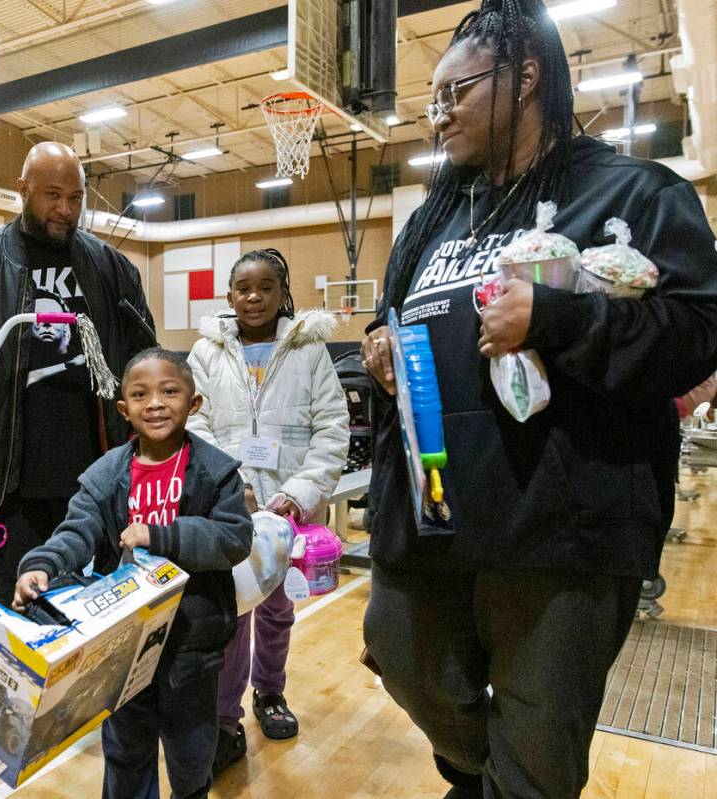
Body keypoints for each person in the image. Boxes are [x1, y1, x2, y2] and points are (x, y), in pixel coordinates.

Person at [358, 2, 717, 797]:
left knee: (539, 760)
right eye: (433, 97)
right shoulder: (434, 218)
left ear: (524, 79)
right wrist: (380, 341)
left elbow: (698, 330)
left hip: (562, 535)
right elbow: (397, 315)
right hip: (435, 521)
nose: (438, 113)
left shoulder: (634, 191)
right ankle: (484, 773)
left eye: (457, 91)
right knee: (402, 655)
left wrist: (556, 317)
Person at [0, 141, 156, 605]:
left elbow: (144, 358)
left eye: (76, 198)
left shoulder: (112, 269)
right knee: (14, 596)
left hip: (96, 475)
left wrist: (149, 442)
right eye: (51, 195)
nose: (65, 209)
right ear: (22, 190)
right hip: (2, 480)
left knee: (98, 598)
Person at [14, 348, 252, 799]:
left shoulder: (216, 471)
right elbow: (77, 531)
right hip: (124, 647)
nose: (156, 404)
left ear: (194, 402)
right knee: (125, 752)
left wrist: (161, 535)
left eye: (169, 391)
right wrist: (41, 565)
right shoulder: (105, 474)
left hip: (191, 645)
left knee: (190, 753)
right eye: (141, 395)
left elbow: (234, 538)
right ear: (124, 409)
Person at [186, 248, 350, 770]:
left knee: (277, 611)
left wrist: (299, 493)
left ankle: (270, 692)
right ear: (229, 296)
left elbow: (332, 429)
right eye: (243, 288)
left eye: (265, 288)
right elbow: (194, 423)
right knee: (231, 614)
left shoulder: (310, 352)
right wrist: (228, 483)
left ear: (283, 295)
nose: (253, 298)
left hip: (290, 513)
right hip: (229, 512)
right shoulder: (205, 354)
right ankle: (223, 718)